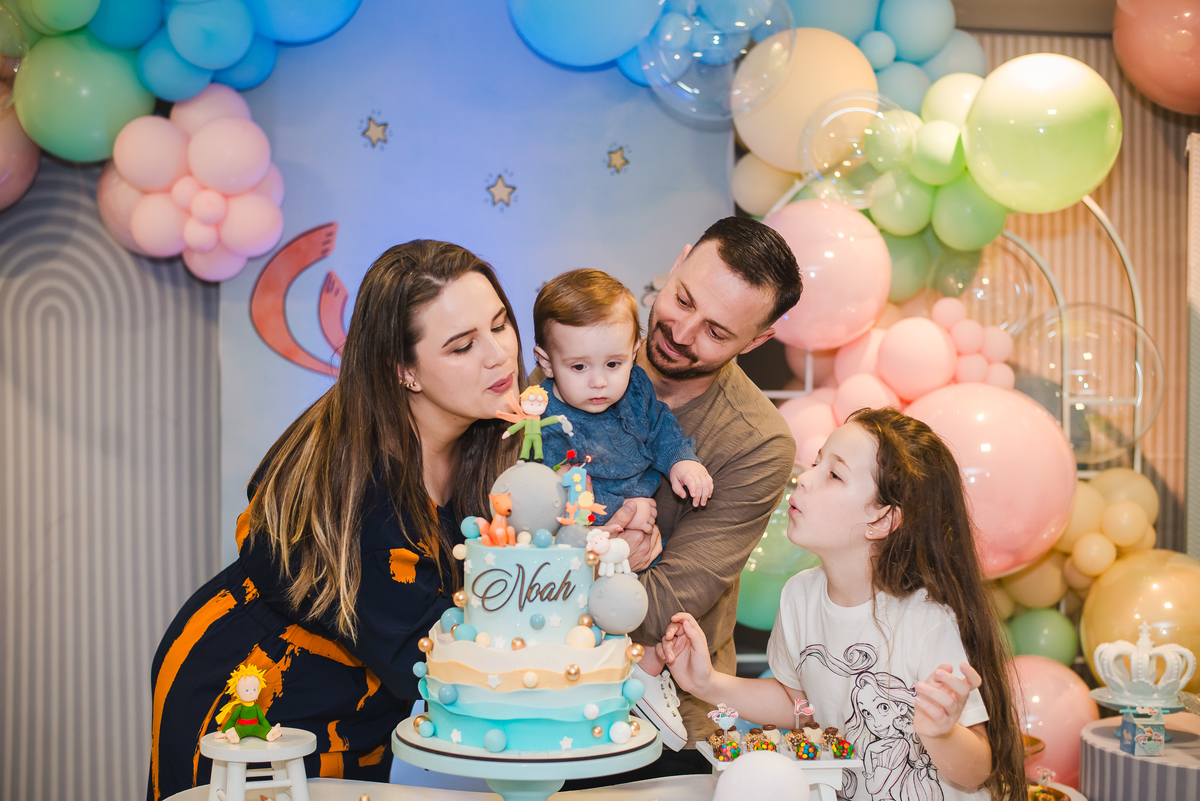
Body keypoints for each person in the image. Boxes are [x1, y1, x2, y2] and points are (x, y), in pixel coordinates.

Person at [147, 241, 524, 801]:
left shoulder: (496, 435)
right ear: (405, 371)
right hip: (251, 699)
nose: (499, 355)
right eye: (462, 345)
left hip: (362, 703)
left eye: (499, 324)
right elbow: (436, 656)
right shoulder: (366, 489)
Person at [660, 408, 1026, 801]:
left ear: (882, 520)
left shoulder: (927, 618)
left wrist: (941, 733)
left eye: (834, 474)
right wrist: (706, 682)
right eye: (817, 463)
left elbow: (977, 770)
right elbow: (800, 703)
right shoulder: (799, 595)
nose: (805, 478)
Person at [567, 216, 802, 776]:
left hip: (669, 725)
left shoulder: (757, 441)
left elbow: (669, 603)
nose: (681, 331)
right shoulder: (581, 355)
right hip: (539, 690)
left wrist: (554, 570)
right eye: (682, 298)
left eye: (716, 332)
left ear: (756, 342)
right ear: (677, 262)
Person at [533, 268, 713, 528]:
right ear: (547, 363)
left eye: (613, 364)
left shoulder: (636, 386)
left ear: (633, 352)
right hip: (580, 528)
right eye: (579, 367)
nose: (599, 382)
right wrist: (627, 509)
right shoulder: (545, 418)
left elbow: (659, 428)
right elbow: (551, 492)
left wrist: (681, 460)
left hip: (640, 518)